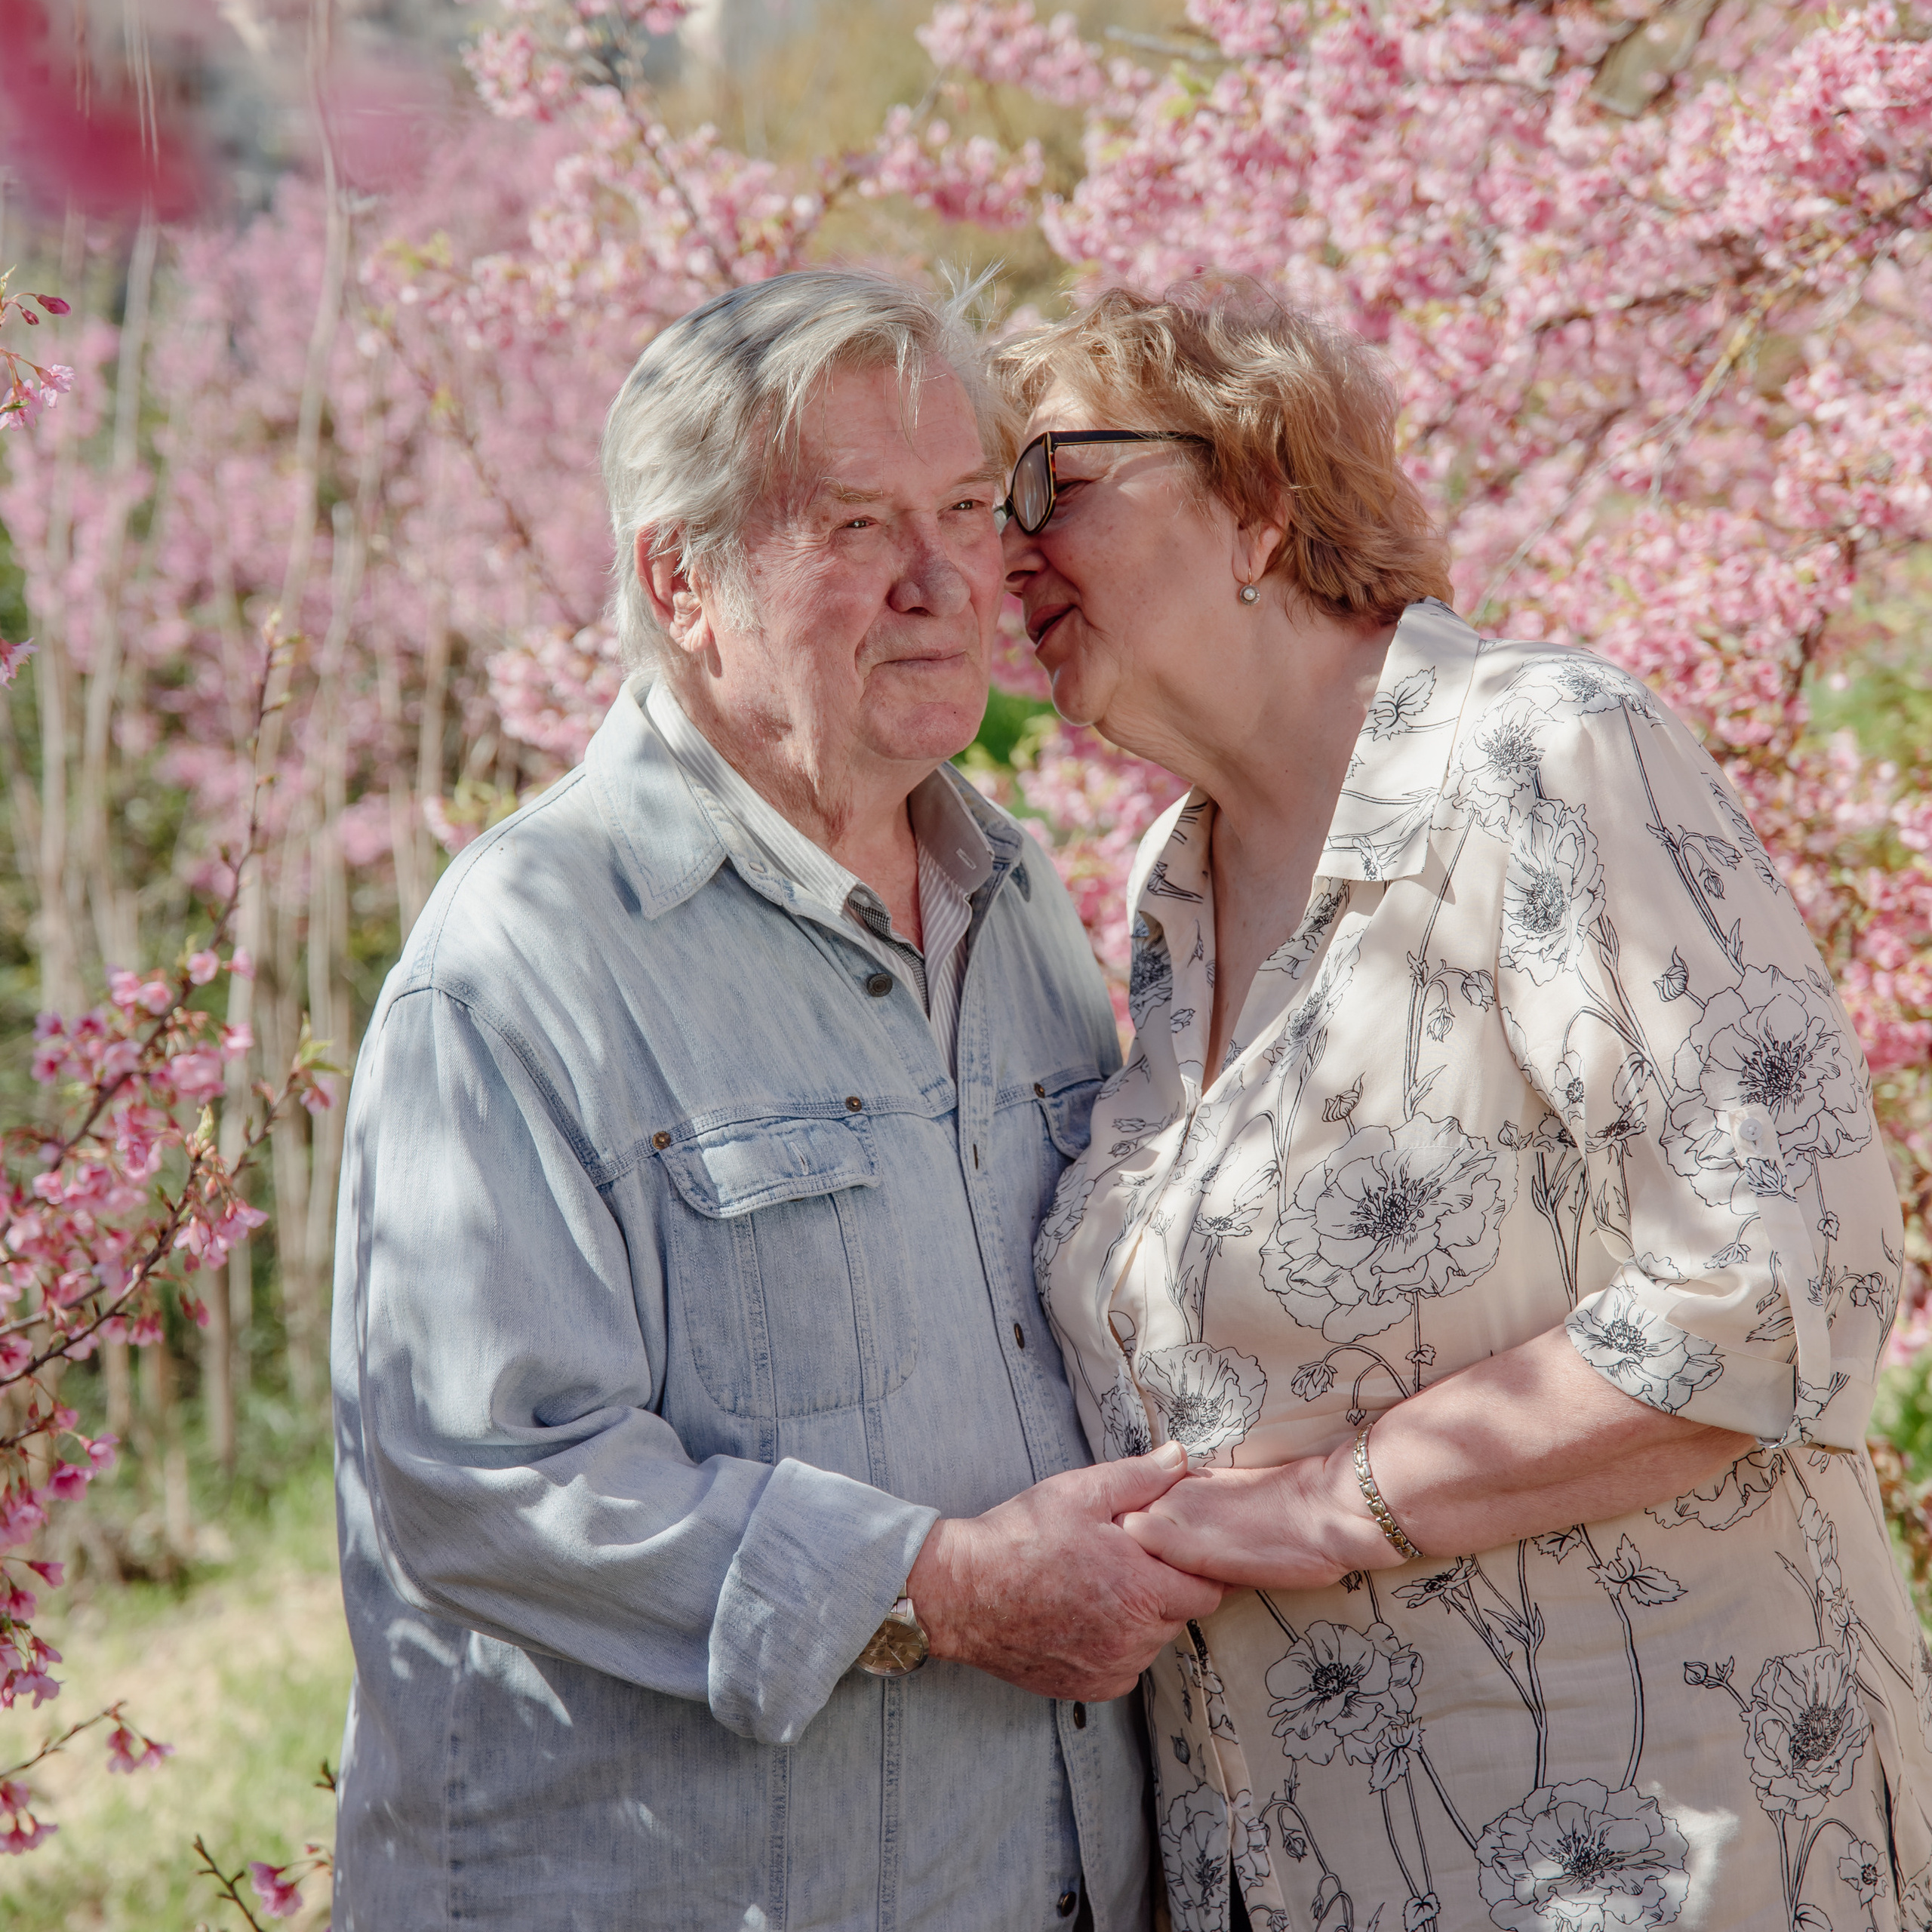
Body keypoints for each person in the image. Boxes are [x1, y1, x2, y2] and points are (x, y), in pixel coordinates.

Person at [996, 283, 1927, 1932]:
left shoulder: (1544, 756)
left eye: (1048, 481)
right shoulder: (1173, 885)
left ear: (1257, 502)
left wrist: (1305, 1512)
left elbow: (1782, 1285)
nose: (1004, 551)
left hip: (1644, 1850)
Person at [328, 269, 1224, 1931]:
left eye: (966, 507)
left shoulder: (1012, 901)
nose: (941, 578)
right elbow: (481, 1471)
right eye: (854, 524)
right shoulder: (527, 957)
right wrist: (936, 1587)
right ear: (684, 577)